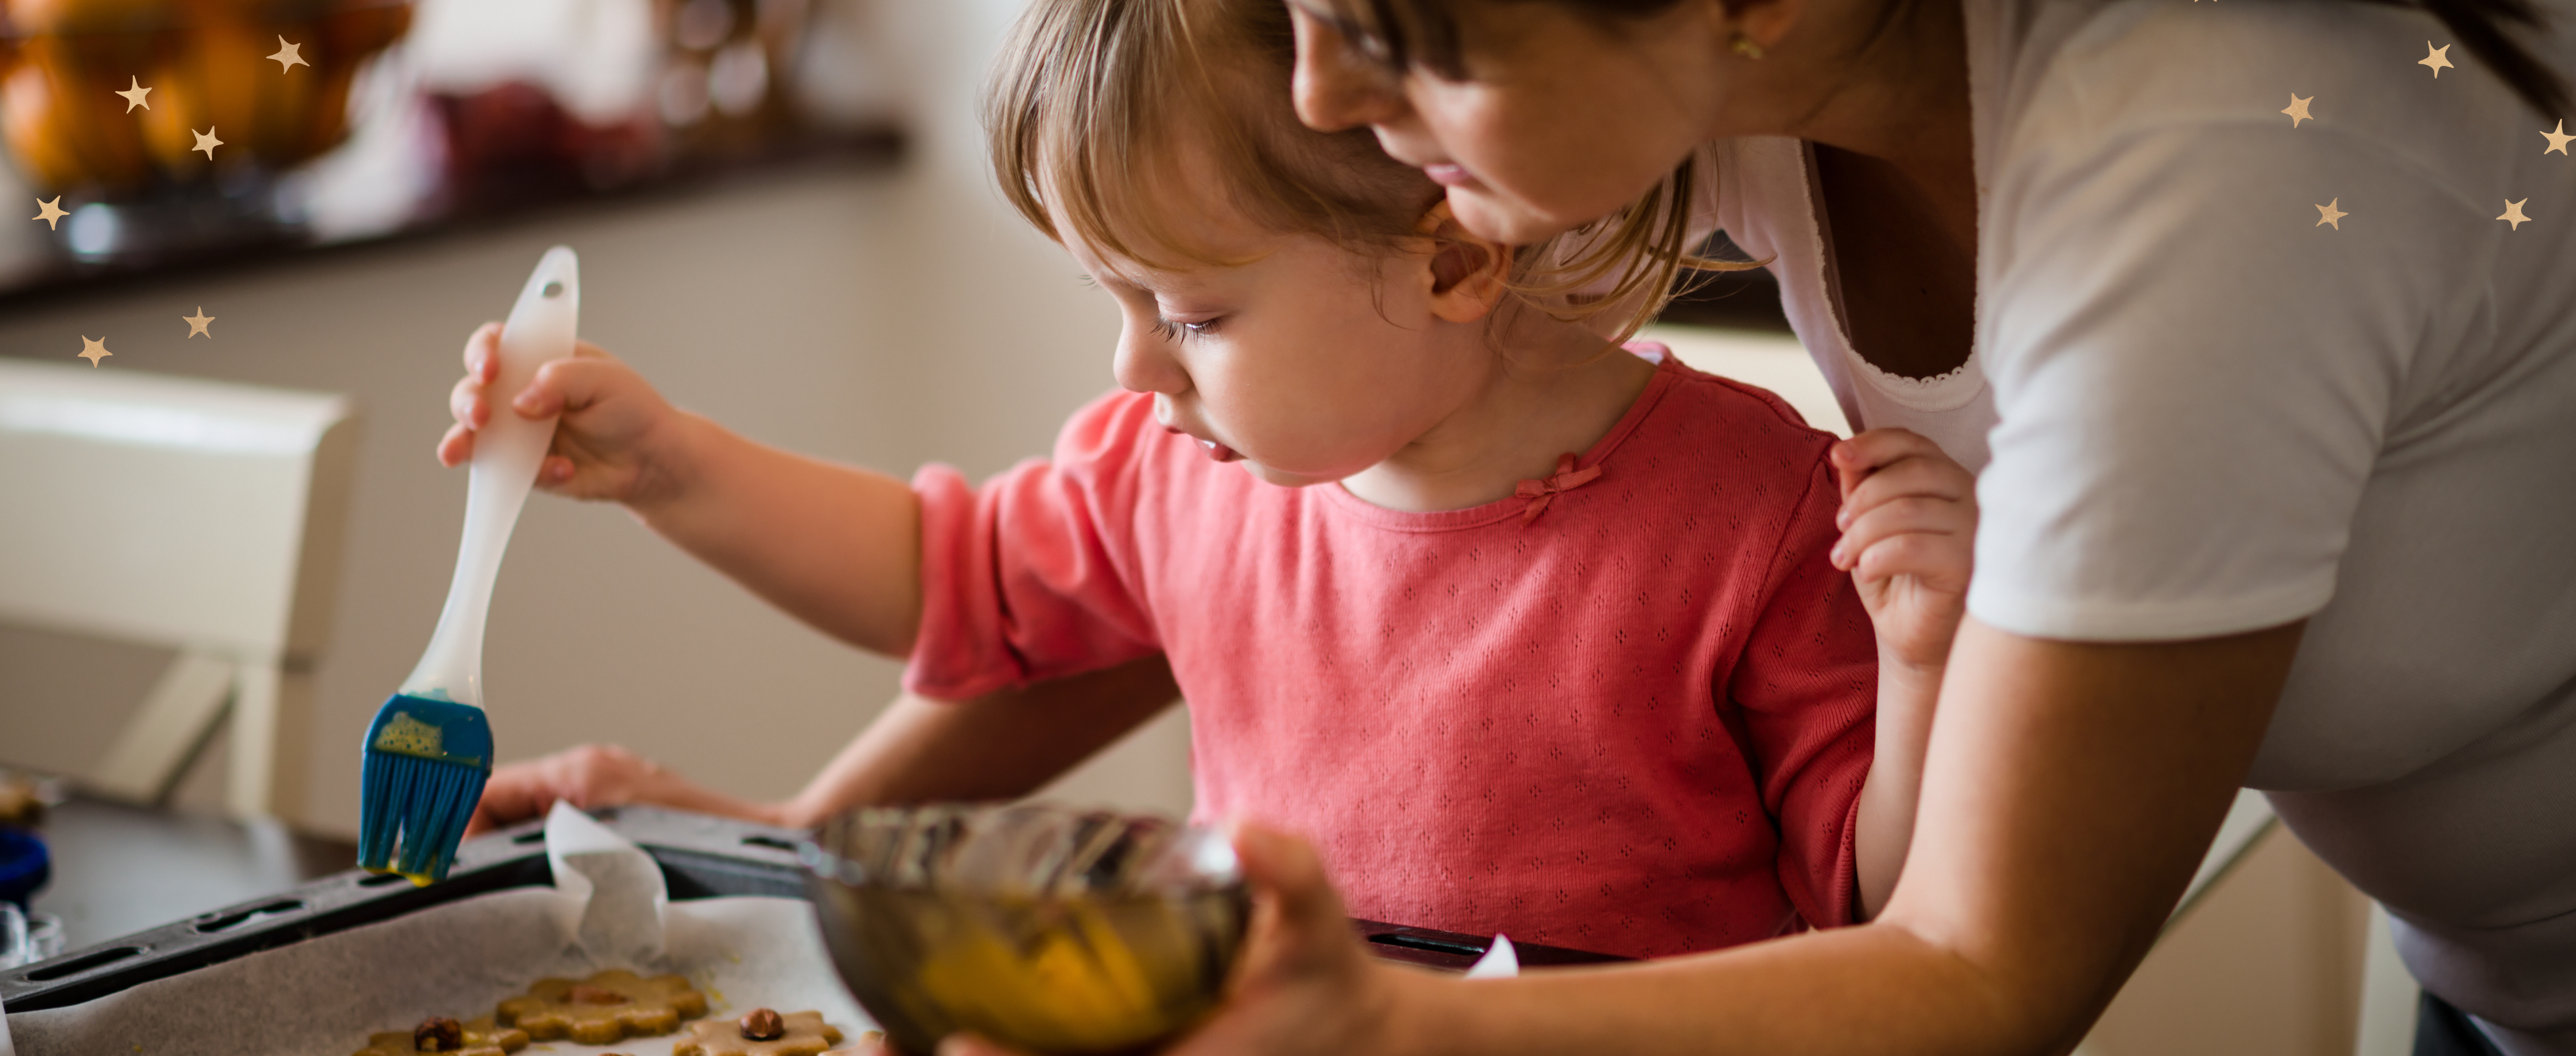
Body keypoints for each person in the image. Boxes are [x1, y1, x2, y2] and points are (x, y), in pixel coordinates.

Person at [930, 0, 2564, 1054]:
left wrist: (1380, 1026)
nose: (1323, 88)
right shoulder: (1738, 65)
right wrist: (789, 842)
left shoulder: (2213, 164)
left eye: (1395, 30)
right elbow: (1245, 523)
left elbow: (1987, 976)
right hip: (2478, 967)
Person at [442, 0, 1981, 966]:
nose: (1132, 373)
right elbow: (943, 578)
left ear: (1451, 251)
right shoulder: (1180, 473)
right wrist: (672, 466)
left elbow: (1870, 900)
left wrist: (1918, 665)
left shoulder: (1762, 512)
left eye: (1190, 316)